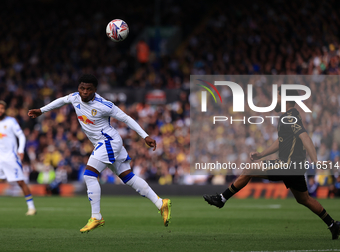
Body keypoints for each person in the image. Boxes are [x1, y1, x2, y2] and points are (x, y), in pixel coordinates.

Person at [28, 74, 171, 233]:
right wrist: (41, 110)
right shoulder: (75, 97)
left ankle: (96, 217)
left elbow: (126, 118)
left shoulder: (104, 105)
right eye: (82, 88)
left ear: (95, 90)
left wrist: (145, 136)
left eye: (89, 89)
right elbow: (61, 100)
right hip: (105, 143)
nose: (84, 92)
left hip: (108, 142)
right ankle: (161, 203)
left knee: (89, 174)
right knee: (128, 177)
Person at [203, 87, 340, 240]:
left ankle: (221, 199)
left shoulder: (289, 117)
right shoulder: (290, 116)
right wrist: (262, 154)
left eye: (278, 96)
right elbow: (280, 142)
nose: (276, 100)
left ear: (287, 100)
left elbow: (305, 137)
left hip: (287, 165)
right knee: (304, 199)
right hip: (295, 167)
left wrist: (316, 162)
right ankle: (333, 224)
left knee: (249, 169)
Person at [0, 100, 37, 216]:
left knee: (20, 181)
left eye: (1, 108)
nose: (0, 110)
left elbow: (21, 135)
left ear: (4, 110)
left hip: (11, 157)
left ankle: (31, 207)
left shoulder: (10, 121)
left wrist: (20, 150)